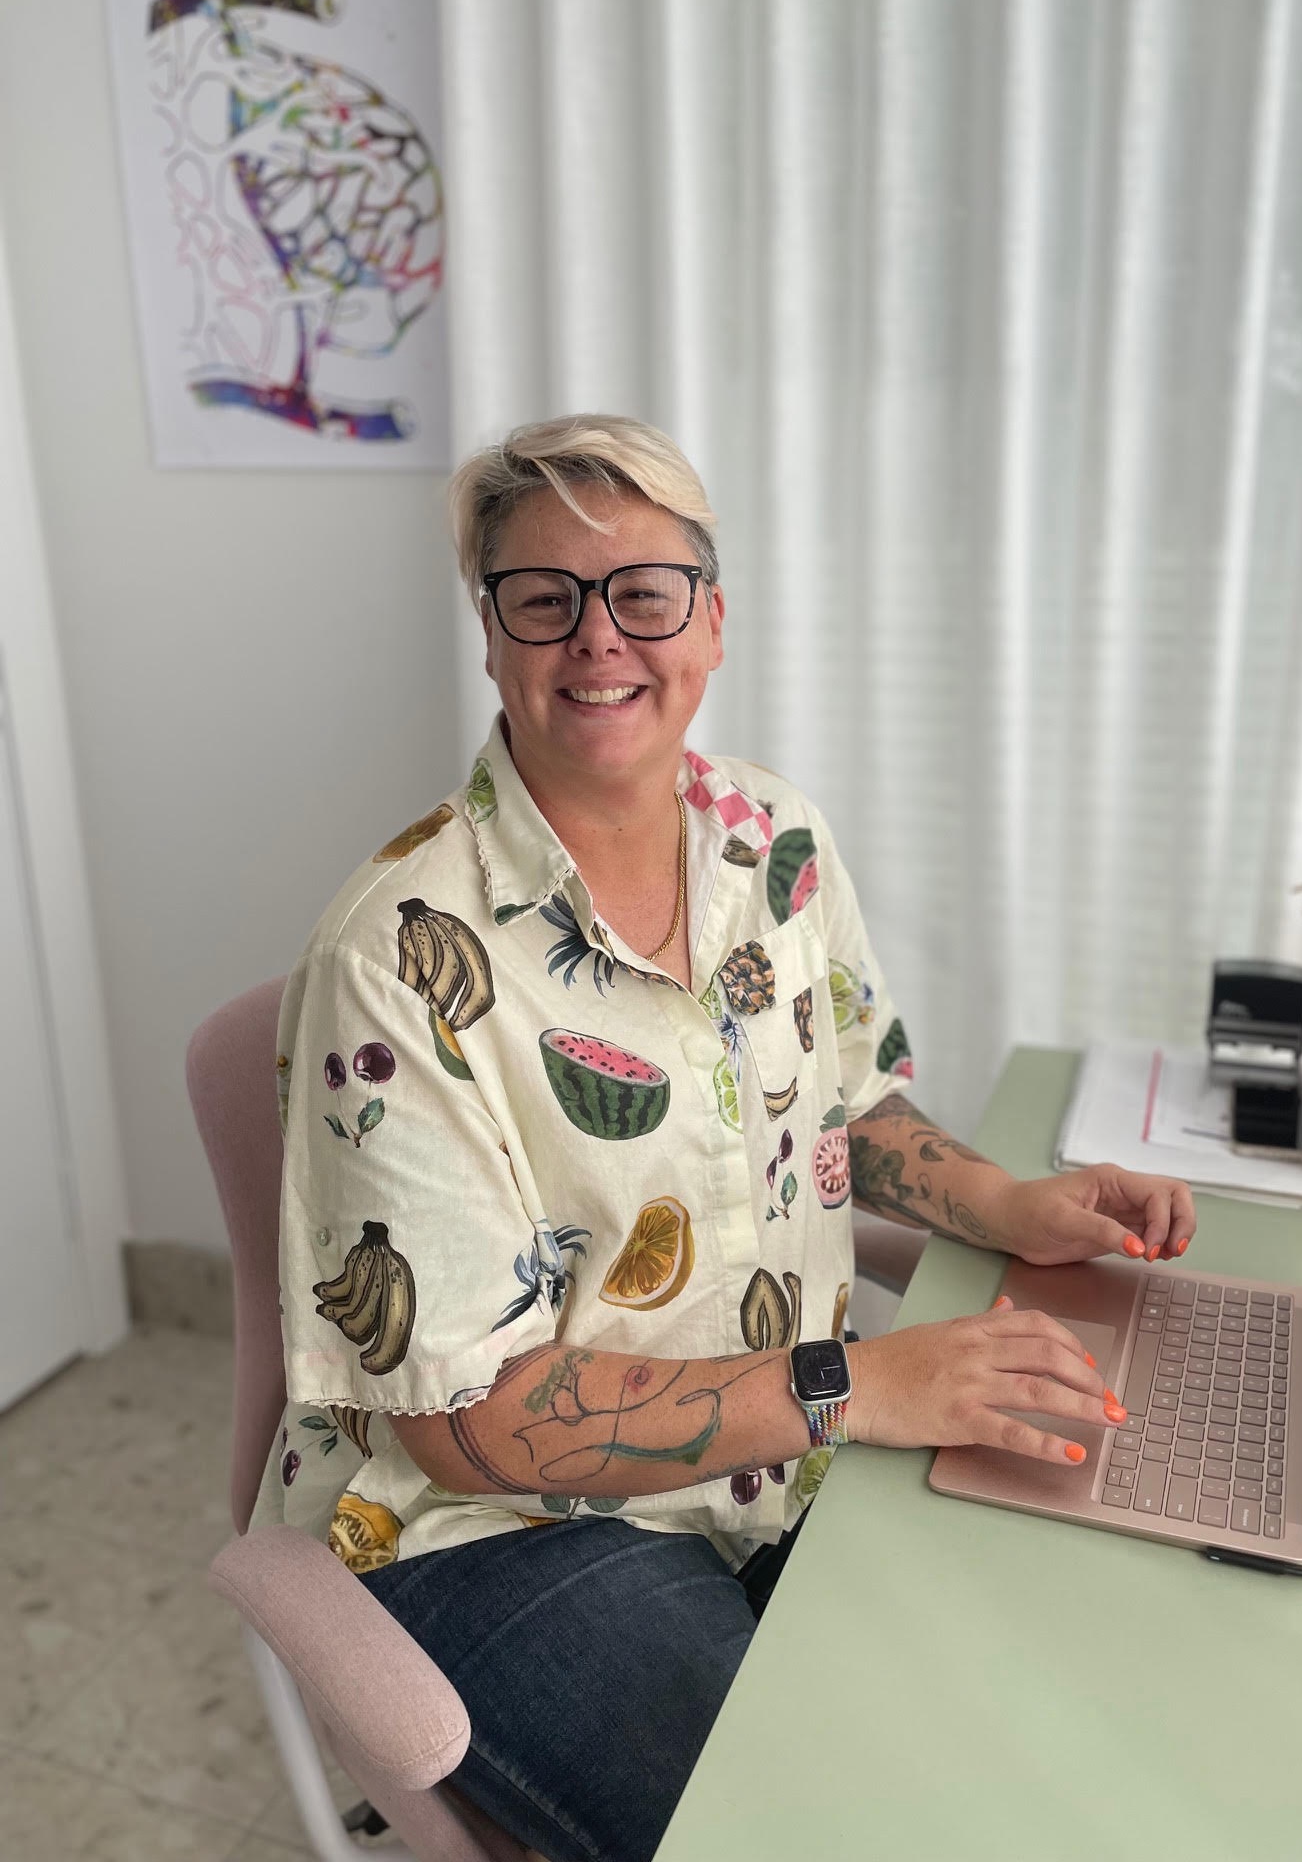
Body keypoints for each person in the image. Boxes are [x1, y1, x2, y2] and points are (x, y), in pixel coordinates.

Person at [253, 413, 1197, 1862]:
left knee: (1036, 1744)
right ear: (491, 636)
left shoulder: (773, 837)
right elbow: (464, 1420)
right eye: (543, 599)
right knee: (812, 1836)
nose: (598, 638)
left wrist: (1008, 1204)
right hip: (507, 1528)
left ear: (710, 620)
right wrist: (851, 1383)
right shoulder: (391, 957)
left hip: (776, 1459)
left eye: (643, 592)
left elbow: (851, 1101)